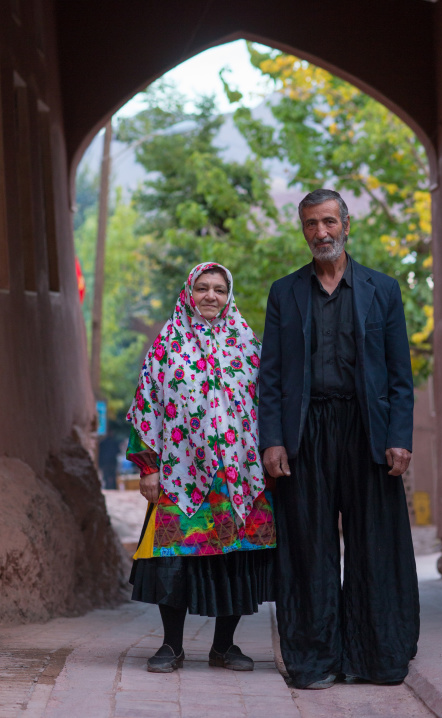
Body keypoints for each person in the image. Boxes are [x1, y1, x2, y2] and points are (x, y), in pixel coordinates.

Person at [259, 189, 419, 690]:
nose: (321, 232)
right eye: (311, 224)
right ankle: (314, 660)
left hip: (366, 430)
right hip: (305, 433)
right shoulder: (284, 293)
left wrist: (399, 436)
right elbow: (271, 377)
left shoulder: (382, 289)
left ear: (346, 225)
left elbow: (399, 375)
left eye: (329, 222)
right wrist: (273, 440)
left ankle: (375, 657)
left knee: (375, 544)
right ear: (302, 229)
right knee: (308, 546)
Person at [126, 262, 275, 673]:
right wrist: (148, 467)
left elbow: (269, 405)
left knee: (236, 558)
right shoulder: (166, 346)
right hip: (181, 474)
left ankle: (224, 648)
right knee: (173, 558)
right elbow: (146, 406)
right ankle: (171, 647)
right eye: (203, 288)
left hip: (239, 478)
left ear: (230, 296)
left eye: (220, 289)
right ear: (189, 293)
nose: (211, 296)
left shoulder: (249, 346)